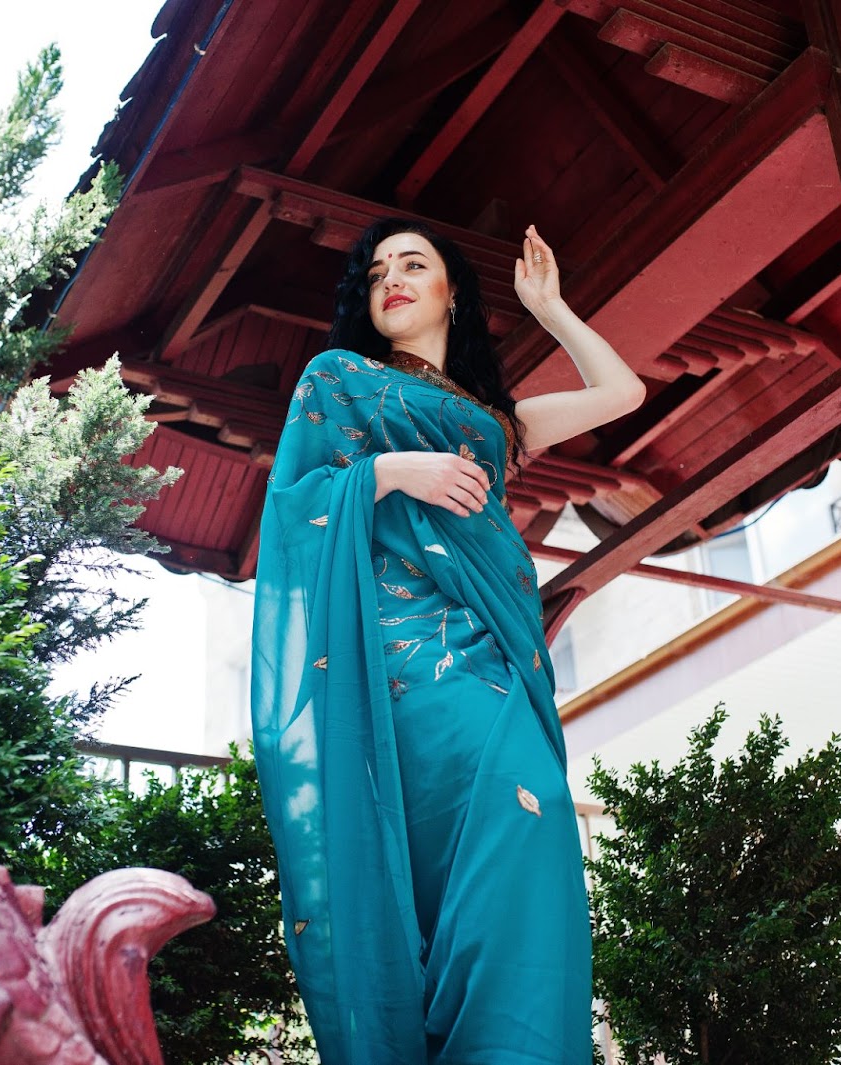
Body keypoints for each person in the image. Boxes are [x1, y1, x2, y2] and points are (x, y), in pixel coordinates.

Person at [250, 218, 644, 1064]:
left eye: (414, 264)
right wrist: (389, 472)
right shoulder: (340, 381)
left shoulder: (496, 420)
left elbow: (623, 394)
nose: (392, 277)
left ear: (451, 293)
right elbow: (293, 508)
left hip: (497, 655)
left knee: (531, 833)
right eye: (379, 269)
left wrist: (549, 307)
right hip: (404, 667)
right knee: (449, 865)